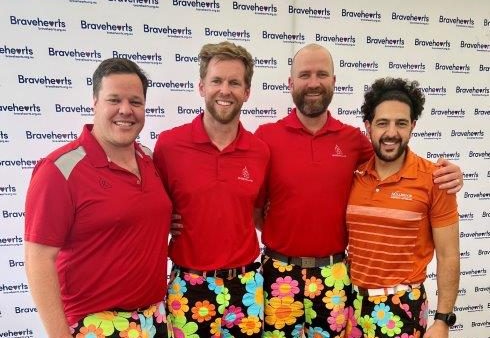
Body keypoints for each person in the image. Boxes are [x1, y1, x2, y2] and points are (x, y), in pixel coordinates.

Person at [254, 44, 462, 337]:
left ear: (334, 82)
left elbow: (392, 155)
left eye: (322, 74)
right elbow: (250, 203)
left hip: (336, 277)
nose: (313, 82)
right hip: (278, 273)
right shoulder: (265, 138)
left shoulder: (353, 142)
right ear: (290, 82)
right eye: (304, 74)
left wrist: (451, 174)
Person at [24, 58, 171, 338]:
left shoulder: (151, 160)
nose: (125, 110)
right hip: (94, 326)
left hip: (155, 319)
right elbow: (38, 259)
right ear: (95, 102)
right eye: (114, 99)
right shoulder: (59, 170)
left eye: (135, 102)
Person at [153, 42, 269, 337]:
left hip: (246, 287)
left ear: (247, 92)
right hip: (188, 286)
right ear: (202, 87)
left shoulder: (260, 151)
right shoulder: (169, 146)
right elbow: (150, 208)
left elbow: (259, 211)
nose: (225, 90)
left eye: (234, 82)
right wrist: (164, 222)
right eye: (216, 80)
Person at [347, 77, 459, 338]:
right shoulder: (355, 176)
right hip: (351, 305)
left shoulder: (436, 179)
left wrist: (443, 320)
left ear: (413, 127)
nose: (391, 132)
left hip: (402, 309)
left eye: (401, 123)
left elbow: (449, 255)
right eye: (382, 123)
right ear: (368, 127)